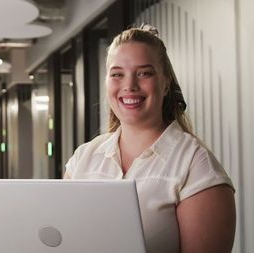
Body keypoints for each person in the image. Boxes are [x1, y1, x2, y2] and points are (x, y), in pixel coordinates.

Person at [64, 25, 236, 253]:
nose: (129, 85)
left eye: (144, 73)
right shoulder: (82, 159)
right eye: (117, 74)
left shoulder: (196, 167)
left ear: (165, 84)